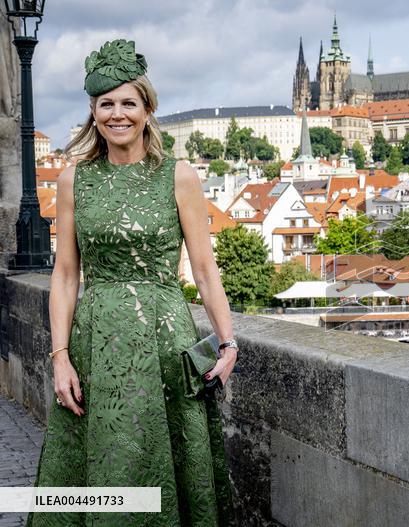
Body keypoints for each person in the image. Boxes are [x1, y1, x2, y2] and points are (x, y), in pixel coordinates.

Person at [28, 39, 236, 526]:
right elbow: (64, 276)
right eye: (107, 104)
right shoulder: (73, 178)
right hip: (96, 343)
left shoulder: (178, 176)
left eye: (128, 103)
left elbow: (205, 270)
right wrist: (60, 358)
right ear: (93, 113)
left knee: (169, 468)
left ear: (147, 110)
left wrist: (227, 344)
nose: (117, 114)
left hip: (166, 342)